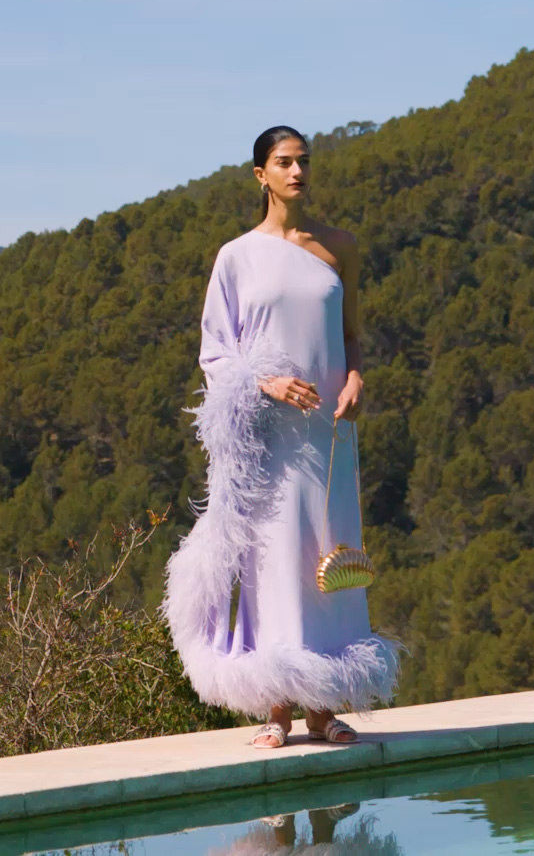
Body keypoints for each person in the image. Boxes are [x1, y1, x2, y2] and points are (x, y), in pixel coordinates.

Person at [162, 126, 399, 749]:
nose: (297, 172)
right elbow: (216, 354)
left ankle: (324, 707)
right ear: (259, 175)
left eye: (303, 162)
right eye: (283, 163)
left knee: (326, 555)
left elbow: (351, 335)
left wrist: (355, 379)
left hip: (330, 432)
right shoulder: (235, 256)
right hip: (268, 439)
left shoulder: (339, 247)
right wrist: (266, 385)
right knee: (273, 556)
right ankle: (276, 710)